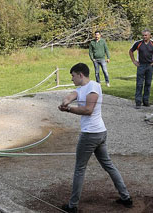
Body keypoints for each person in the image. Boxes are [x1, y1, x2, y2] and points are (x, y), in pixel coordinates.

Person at [58, 63, 132, 213]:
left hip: (90, 135)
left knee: (80, 169)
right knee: (108, 165)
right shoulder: (81, 88)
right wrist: (65, 102)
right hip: (99, 133)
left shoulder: (93, 87)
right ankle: (126, 197)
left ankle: (72, 206)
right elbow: (71, 95)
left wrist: (69, 110)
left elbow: (88, 110)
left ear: (80, 75)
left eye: (73, 76)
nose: (71, 79)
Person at [129, 29, 153, 109]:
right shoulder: (138, 43)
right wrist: (134, 61)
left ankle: (146, 101)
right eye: (143, 35)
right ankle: (138, 102)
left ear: (149, 35)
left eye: (145, 35)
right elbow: (130, 51)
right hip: (141, 66)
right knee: (139, 84)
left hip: (150, 66)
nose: (144, 37)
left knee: (148, 84)